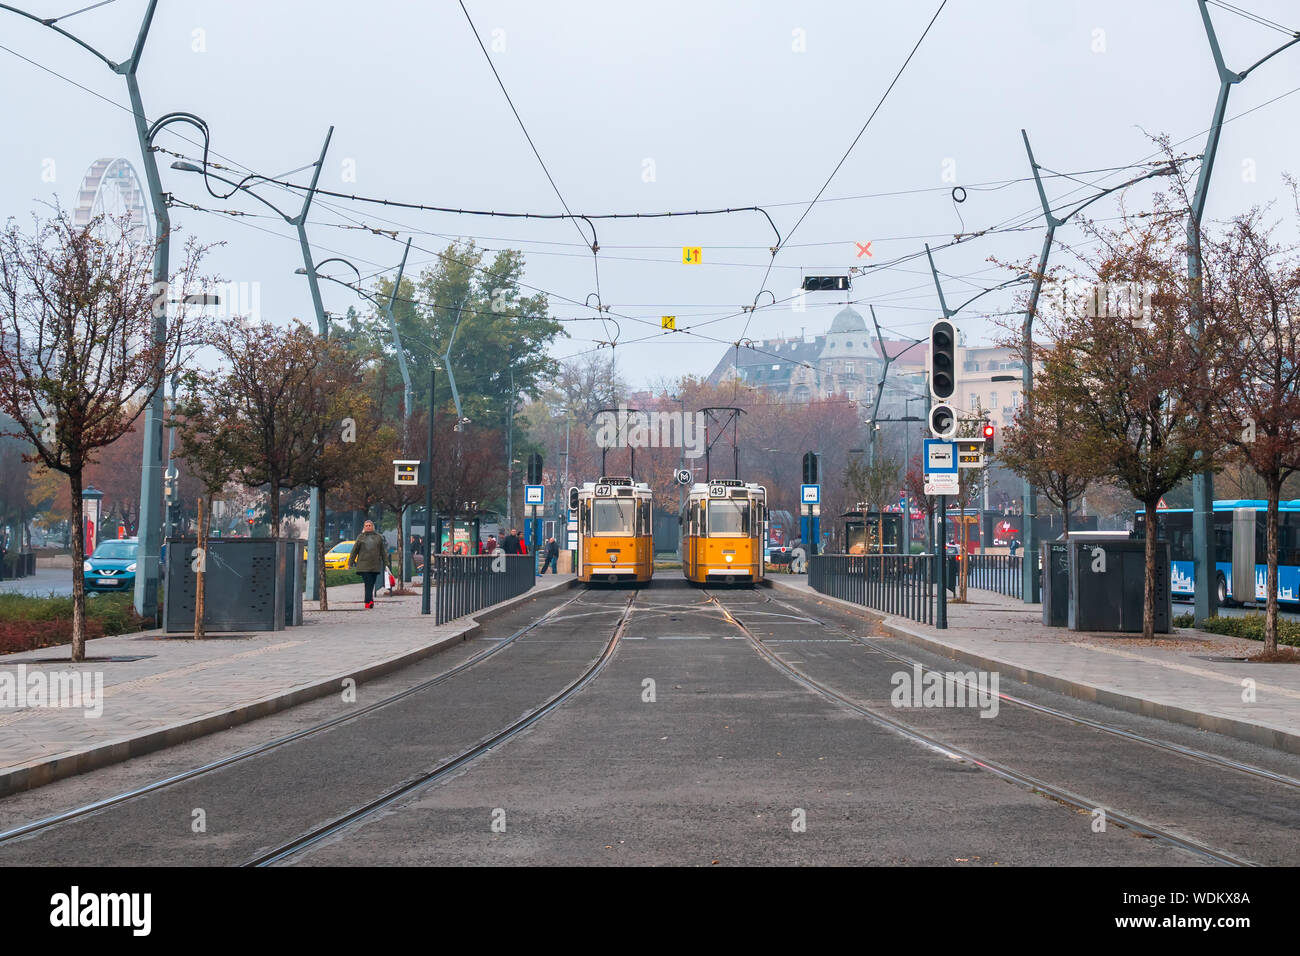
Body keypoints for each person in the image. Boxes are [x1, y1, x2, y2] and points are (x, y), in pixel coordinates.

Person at [348, 520, 390, 609]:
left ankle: (369, 601)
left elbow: (383, 551)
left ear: (372, 526)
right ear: (364, 527)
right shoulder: (360, 537)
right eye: (366, 525)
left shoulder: (378, 537)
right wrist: (350, 563)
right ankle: (368, 601)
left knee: (371, 583)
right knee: (368, 583)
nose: (368, 527)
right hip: (363, 565)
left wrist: (386, 563)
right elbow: (354, 551)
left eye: (369, 525)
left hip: (375, 565)